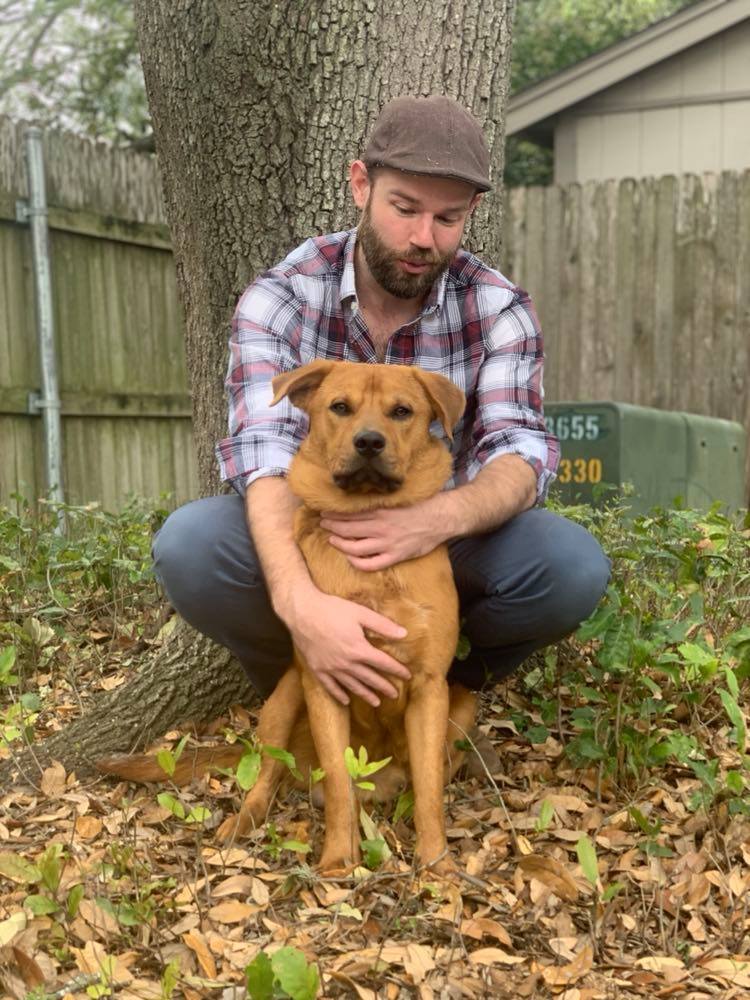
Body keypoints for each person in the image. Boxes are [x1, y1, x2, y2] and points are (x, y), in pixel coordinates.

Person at [154, 95, 610, 709]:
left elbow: (520, 451)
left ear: (472, 211)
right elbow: (262, 456)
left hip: (445, 538)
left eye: (448, 218)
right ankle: (311, 684)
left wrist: (433, 520)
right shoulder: (283, 296)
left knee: (568, 565)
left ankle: (441, 694)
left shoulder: (498, 308)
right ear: (361, 184)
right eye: (405, 208)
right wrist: (301, 603)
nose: (423, 238)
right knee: (193, 546)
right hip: (319, 527)